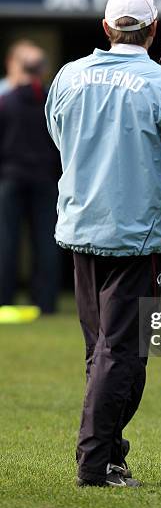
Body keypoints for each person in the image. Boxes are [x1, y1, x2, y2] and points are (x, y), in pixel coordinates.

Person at [45, 0, 161, 487]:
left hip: (80, 228)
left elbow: (59, 137)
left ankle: (110, 450)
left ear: (105, 28)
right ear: (153, 30)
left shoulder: (68, 76)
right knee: (121, 353)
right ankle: (95, 463)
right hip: (136, 238)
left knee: (101, 350)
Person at [0, 40, 61, 313]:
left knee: (7, 240)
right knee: (46, 240)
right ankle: (45, 301)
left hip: (10, 178)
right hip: (45, 179)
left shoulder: (5, 102)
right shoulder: (51, 102)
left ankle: (4, 298)